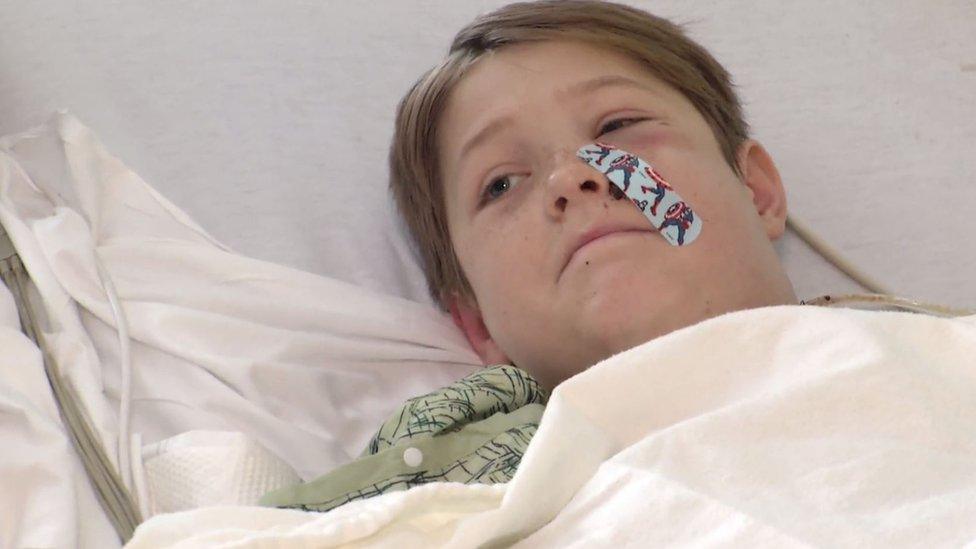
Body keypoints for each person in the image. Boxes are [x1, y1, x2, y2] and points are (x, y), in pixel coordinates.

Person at [261, 0, 798, 512]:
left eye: (615, 128)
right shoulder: (451, 468)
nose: (573, 176)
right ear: (477, 323)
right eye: (500, 185)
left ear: (756, 191)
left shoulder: (879, 336)